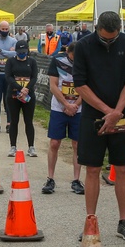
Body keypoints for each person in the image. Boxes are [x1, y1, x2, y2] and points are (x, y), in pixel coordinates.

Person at [73, 11, 125, 242]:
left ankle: (124, 221)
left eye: (113, 38)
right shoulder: (83, 46)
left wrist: (117, 112)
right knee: (92, 169)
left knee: (122, 169)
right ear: (96, 28)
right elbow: (80, 84)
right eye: (105, 39)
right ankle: (90, 220)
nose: (109, 42)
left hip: (121, 113)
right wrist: (106, 112)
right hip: (94, 114)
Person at [42, 43, 84, 195]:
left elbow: (87, 87)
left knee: (77, 144)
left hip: (78, 109)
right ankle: (50, 178)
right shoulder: (57, 61)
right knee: (54, 143)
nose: (75, 60)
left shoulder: (85, 62)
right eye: (73, 57)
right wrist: (66, 104)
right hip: (59, 108)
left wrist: (75, 105)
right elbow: (53, 86)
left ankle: (76, 180)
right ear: (68, 53)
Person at [4, 39, 38, 157]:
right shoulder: (11, 62)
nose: (22, 54)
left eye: (24, 51)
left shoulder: (32, 62)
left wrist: (26, 89)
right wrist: (19, 88)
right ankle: (13, 146)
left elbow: (34, 77)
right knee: (14, 121)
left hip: (28, 95)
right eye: (20, 52)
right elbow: (8, 77)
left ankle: (31, 147)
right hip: (14, 94)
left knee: (28, 121)